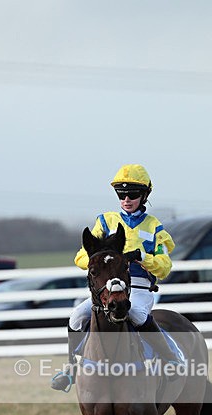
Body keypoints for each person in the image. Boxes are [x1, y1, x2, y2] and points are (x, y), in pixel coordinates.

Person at [51, 164, 181, 392]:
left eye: (133, 194)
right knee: (76, 315)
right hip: (105, 289)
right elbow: (81, 257)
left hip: (139, 288)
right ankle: (71, 368)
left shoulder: (155, 227)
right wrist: (100, 260)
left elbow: (165, 267)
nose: (127, 199)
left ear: (145, 195)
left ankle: (170, 360)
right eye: (121, 194)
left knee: (138, 314)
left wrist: (142, 257)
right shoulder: (105, 221)